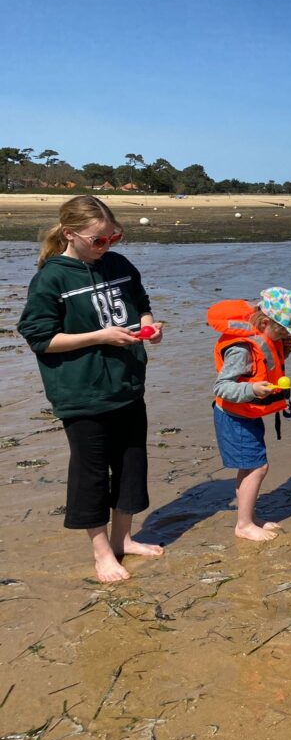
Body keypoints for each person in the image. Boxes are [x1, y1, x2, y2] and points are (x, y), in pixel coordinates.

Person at [17, 196, 165, 582]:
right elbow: (39, 337)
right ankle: (102, 553)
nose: (107, 246)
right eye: (98, 240)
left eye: (113, 237)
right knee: (92, 473)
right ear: (70, 234)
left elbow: (141, 302)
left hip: (128, 384)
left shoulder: (118, 265)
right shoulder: (52, 278)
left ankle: (123, 540)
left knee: (132, 466)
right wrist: (100, 336)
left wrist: (150, 325)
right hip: (81, 393)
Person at [209, 287, 291, 539]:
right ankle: (243, 525)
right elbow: (221, 387)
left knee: (250, 466)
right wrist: (252, 388)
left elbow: (270, 356)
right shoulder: (242, 349)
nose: (286, 335)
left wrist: (282, 343)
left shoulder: (266, 336)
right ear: (265, 322)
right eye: (283, 330)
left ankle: (249, 516)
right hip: (234, 417)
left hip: (247, 414)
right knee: (257, 467)